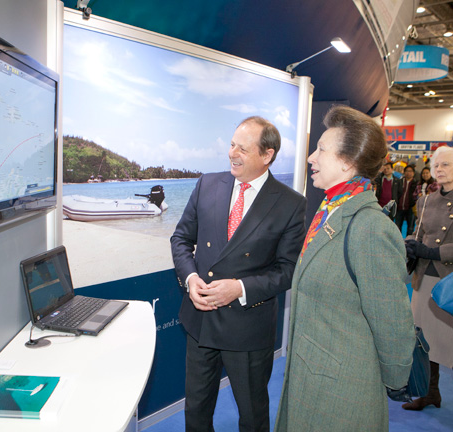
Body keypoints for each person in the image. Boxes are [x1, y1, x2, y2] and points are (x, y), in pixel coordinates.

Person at [275, 105, 415, 432]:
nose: (311, 157)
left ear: (347, 162)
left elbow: (392, 322)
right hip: (312, 381)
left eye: (321, 149)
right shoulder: (330, 211)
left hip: (342, 396)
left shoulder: (370, 229)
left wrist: (395, 381)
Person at [171, 116, 306, 432]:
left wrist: (240, 288)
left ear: (267, 155)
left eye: (242, 149)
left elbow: (289, 271)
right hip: (200, 321)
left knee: (252, 415)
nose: (232, 153)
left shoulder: (289, 204)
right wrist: (190, 279)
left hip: (248, 328)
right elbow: (180, 238)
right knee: (197, 410)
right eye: (232, 144)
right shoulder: (207, 183)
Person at [403, 145, 453, 411]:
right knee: (424, 340)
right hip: (424, 280)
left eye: (446, 165)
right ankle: (429, 391)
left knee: (447, 341)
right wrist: (410, 244)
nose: (439, 170)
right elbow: (418, 233)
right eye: (436, 165)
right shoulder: (425, 201)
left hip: (449, 281)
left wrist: (434, 251)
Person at [395, 164, 417, 235]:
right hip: (399, 207)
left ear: (413, 173)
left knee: (410, 228)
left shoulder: (416, 183)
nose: (408, 173)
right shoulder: (399, 181)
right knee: (397, 227)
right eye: (407, 171)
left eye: (410, 171)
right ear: (404, 172)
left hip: (410, 207)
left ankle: (408, 243)